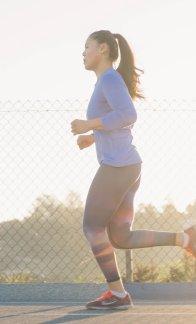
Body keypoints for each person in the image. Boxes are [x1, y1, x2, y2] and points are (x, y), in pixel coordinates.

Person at [70, 29, 196, 310]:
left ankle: (117, 294)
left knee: (92, 226)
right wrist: (93, 138)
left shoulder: (110, 79)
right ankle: (186, 238)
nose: (83, 53)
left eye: (87, 46)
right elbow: (117, 121)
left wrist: (89, 125)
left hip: (118, 167)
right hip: (128, 166)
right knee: (120, 236)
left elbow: (128, 115)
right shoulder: (105, 81)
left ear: (102, 49)